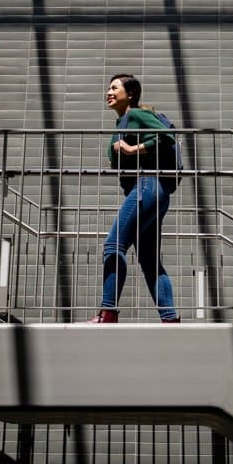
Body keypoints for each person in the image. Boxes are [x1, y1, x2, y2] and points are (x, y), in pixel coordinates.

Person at [88, 73, 180, 324]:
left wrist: (132, 148)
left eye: (114, 88)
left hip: (147, 185)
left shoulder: (136, 115)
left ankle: (108, 312)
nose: (108, 92)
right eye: (108, 88)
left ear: (130, 94)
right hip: (152, 191)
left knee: (113, 244)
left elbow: (167, 135)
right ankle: (170, 319)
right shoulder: (122, 123)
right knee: (149, 261)